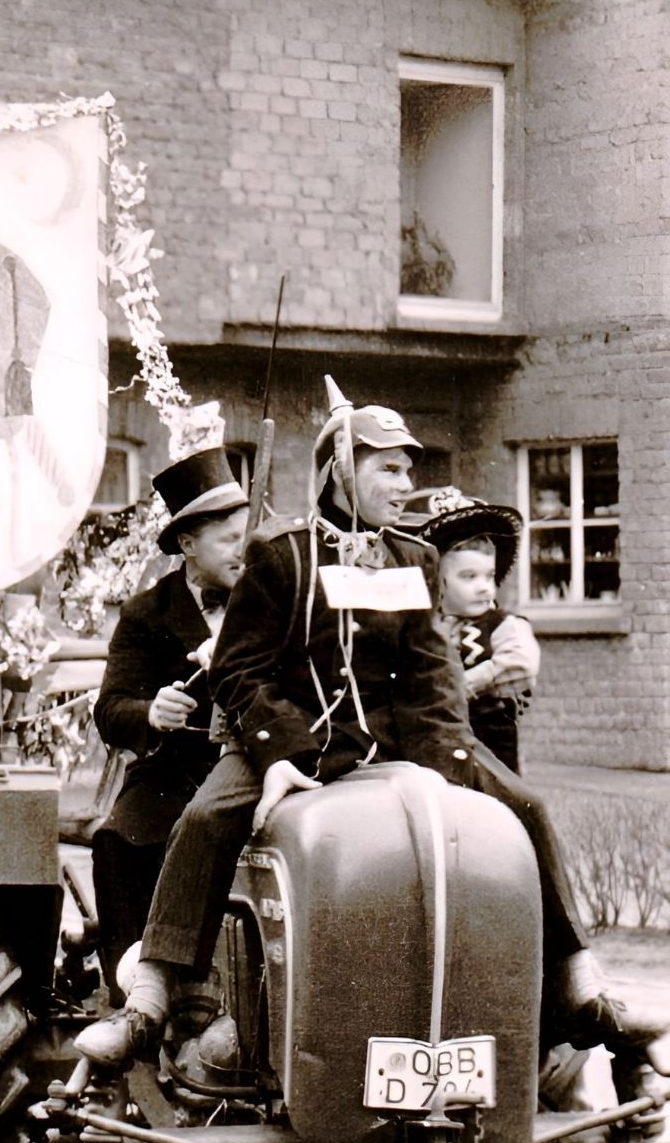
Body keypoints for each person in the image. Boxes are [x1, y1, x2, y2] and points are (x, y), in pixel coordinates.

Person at [74, 398, 670, 1086]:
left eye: (408, 469)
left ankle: (579, 985)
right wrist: (282, 758)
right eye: (387, 468)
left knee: (526, 806)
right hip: (288, 735)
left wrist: (450, 763)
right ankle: (151, 993)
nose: (403, 484)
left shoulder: (412, 558)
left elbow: (431, 675)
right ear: (339, 470)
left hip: (394, 742)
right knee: (205, 817)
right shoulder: (282, 554)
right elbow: (239, 669)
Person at [89, 446, 247, 997]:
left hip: (251, 765)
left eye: (247, 537)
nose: (243, 552)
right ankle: (132, 996)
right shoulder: (146, 614)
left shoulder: (268, 601)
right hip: (173, 776)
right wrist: (151, 713)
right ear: (187, 545)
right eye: (229, 541)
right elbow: (109, 709)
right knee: (116, 841)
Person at [418, 490, 537, 774]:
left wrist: (465, 684)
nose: (484, 587)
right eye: (468, 577)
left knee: (498, 802)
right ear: (436, 581)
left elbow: (519, 663)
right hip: (436, 739)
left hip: (490, 742)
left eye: (489, 576)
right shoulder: (427, 627)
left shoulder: (502, 624)